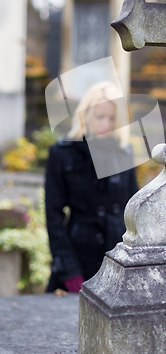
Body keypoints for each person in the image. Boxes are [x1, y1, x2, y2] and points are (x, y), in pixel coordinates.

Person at [45, 81, 138, 293]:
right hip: (79, 254)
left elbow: (133, 208)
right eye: (100, 116)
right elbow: (53, 216)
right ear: (86, 115)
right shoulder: (63, 153)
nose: (105, 123)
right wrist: (69, 270)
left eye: (112, 118)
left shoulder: (124, 152)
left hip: (117, 258)